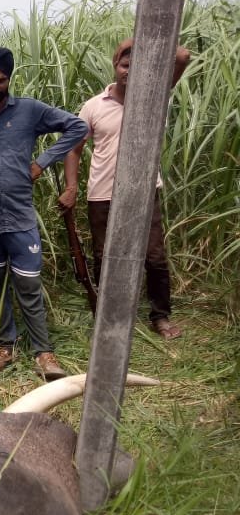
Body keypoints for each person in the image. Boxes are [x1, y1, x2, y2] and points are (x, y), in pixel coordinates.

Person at [0, 46, 88, 380]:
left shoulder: (29, 111)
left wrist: (42, 163)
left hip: (19, 217)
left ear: (9, 78)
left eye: (1, 80)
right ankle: (5, 347)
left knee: (29, 285)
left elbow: (77, 127)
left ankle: (44, 352)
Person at [59, 38, 191, 340]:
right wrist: (71, 187)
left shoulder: (152, 97)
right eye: (125, 65)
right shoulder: (93, 106)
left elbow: (182, 55)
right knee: (105, 258)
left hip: (144, 192)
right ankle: (112, 319)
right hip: (103, 195)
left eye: (136, 65)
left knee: (154, 257)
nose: (129, 71)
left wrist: (148, 44)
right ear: (115, 66)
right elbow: (74, 149)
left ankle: (160, 317)